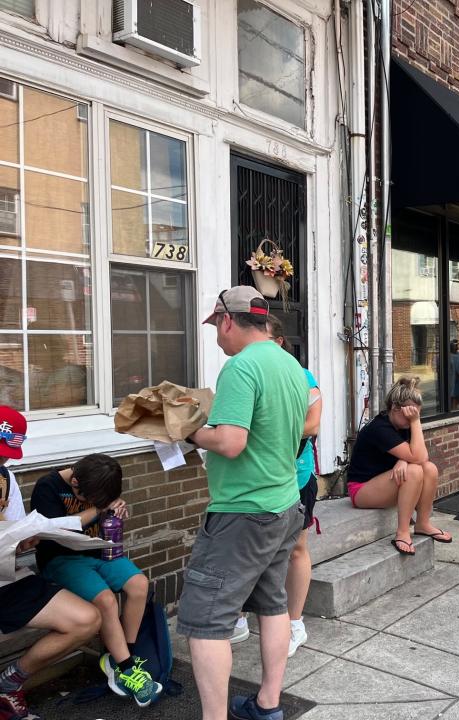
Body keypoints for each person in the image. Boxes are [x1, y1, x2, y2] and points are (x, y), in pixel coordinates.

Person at [180, 286, 308, 720]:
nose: (217, 336)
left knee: (206, 620)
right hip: (284, 504)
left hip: (243, 512)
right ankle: (267, 705)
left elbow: (230, 443)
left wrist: (189, 430)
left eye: (216, 326)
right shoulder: (289, 364)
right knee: (273, 604)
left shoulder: (240, 367)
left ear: (228, 320)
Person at [30, 453, 162, 707]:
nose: (91, 502)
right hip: (61, 560)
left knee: (138, 584)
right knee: (106, 599)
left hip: (100, 551)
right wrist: (99, 508)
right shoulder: (48, 486)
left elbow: (105, 516)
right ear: (75, 481)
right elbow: (54, 529)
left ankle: (124, 655)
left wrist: (116, 512)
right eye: (86, 498)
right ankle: (126, 669)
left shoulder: (100, 484)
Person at [0, 407, 101, 720]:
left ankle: (8, 684)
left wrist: (26, 541)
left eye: (5, 454)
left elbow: (14, 530)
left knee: (86, 618)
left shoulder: (5, 476)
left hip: (5, 577)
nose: (2, 460)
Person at [231, 315, 322, 658]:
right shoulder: (244, 372)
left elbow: (313, 423)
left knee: (295, 548)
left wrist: (271, 432)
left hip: (295, 478)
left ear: (280, 343)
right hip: (255, 479)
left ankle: (295, 624)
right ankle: (239, 617)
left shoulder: (300, 375)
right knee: (247, 550)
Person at [346, 377, 451, 555]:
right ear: (395, 408)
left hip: (386, 482)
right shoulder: (380, 428)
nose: (413, 419)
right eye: (410, 414)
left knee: (430, 469)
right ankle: (402, 531)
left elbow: (419, 456)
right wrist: (416, 424)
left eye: (416, 414)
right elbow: (419, 456)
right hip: (362, 489)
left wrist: (404, 459)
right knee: (415, 472)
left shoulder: (402, 423)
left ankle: (423, 523)